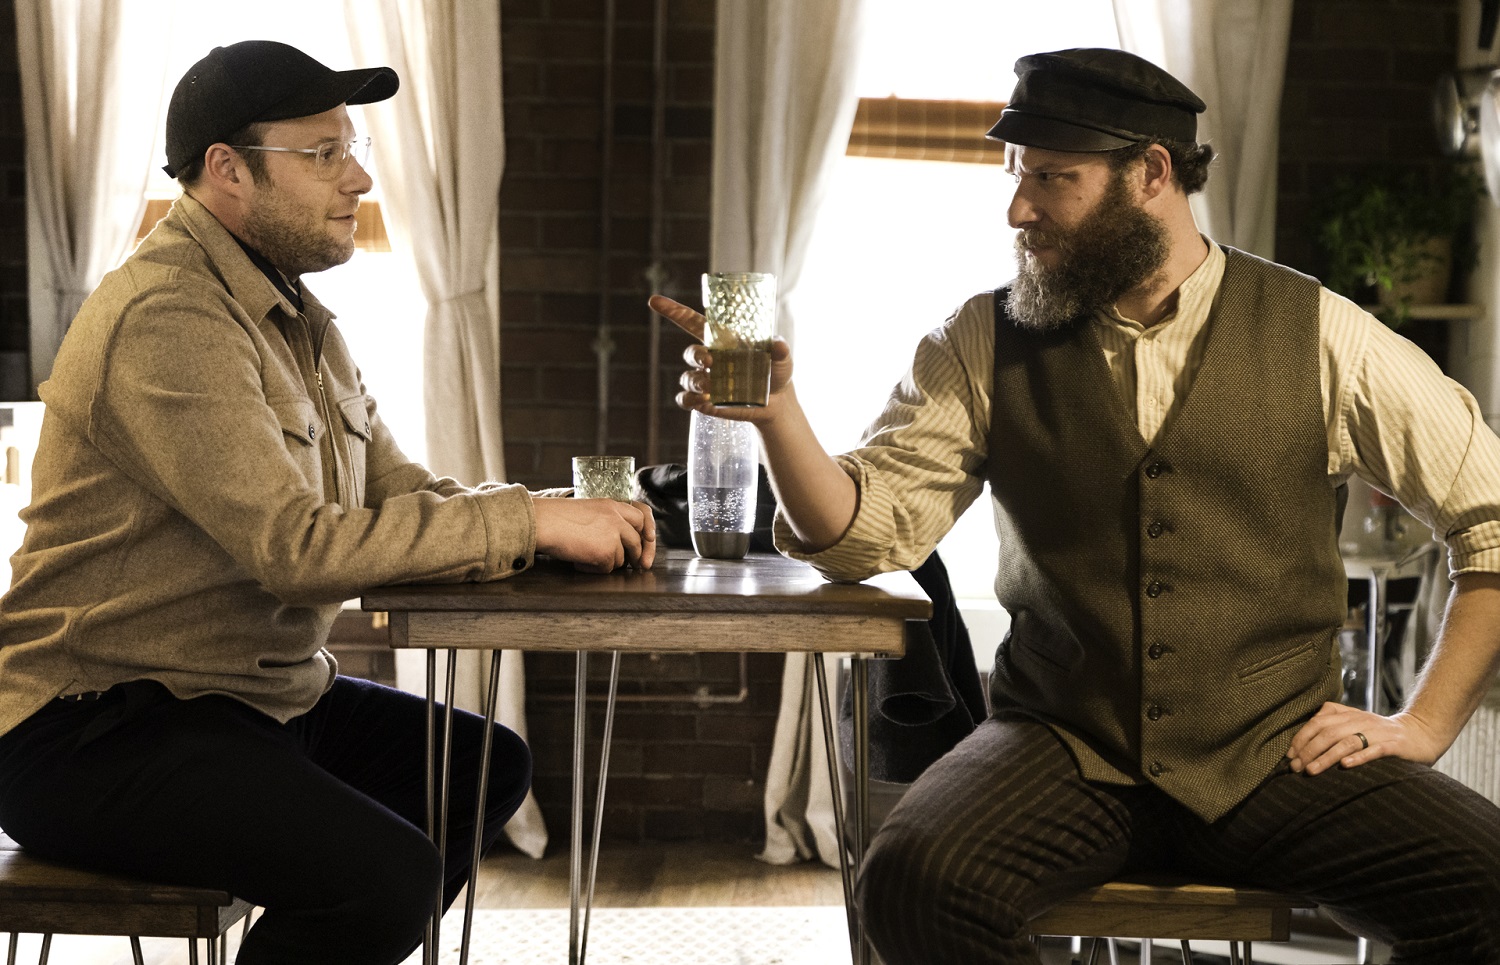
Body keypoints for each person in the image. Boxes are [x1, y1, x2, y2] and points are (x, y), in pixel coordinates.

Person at [651, 47, 1500, 964]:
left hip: (1272, 754)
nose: (1019, 209)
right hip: (1059, 745)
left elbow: (1489, 517)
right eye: (1018, 176)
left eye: (1053, 177)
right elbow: (865, 534)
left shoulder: (1324, 334)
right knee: (909, 880)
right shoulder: (980, 339)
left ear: (1152, 173)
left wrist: (1422, 722)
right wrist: (778, 416)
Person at [0, 40, 655, 965]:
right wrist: (529, 521)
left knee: (481, 768)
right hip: (97, 726)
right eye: (323, 154)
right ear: (228, 170)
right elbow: (298, 549)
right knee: (385, 879)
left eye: (354, 148)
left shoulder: (297, 320)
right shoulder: (169, 315)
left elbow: (400, 493)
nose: (358, 178)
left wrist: (545, 513)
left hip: (251, 701)